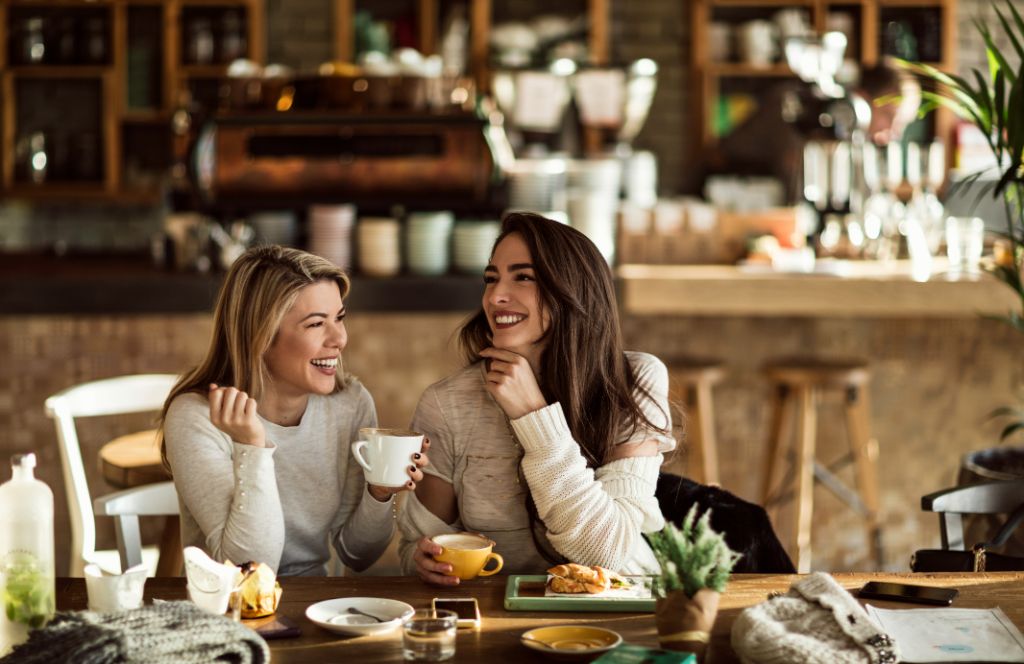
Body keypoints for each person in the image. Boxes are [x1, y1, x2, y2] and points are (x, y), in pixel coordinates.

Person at [399, 212, 676, 585]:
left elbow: (607, 554)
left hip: (617, 611)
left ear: (572, 290)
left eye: (523, 277)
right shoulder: (447, 403)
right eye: (491, 278)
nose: (496, 296)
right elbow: (417, 546)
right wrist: (423, 559)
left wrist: (534, 415)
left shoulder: (633, 381)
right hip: (495, 614)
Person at [160, 245, 428, 576]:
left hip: (317, 608)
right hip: (228, 611)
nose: (339, 338)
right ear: (260, 335)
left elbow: (358, 555)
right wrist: (252, 447)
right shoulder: (199, 416)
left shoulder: (350, 404)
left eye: (339, 318)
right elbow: (250, 569)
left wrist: (379, 492)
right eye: (316, 324)